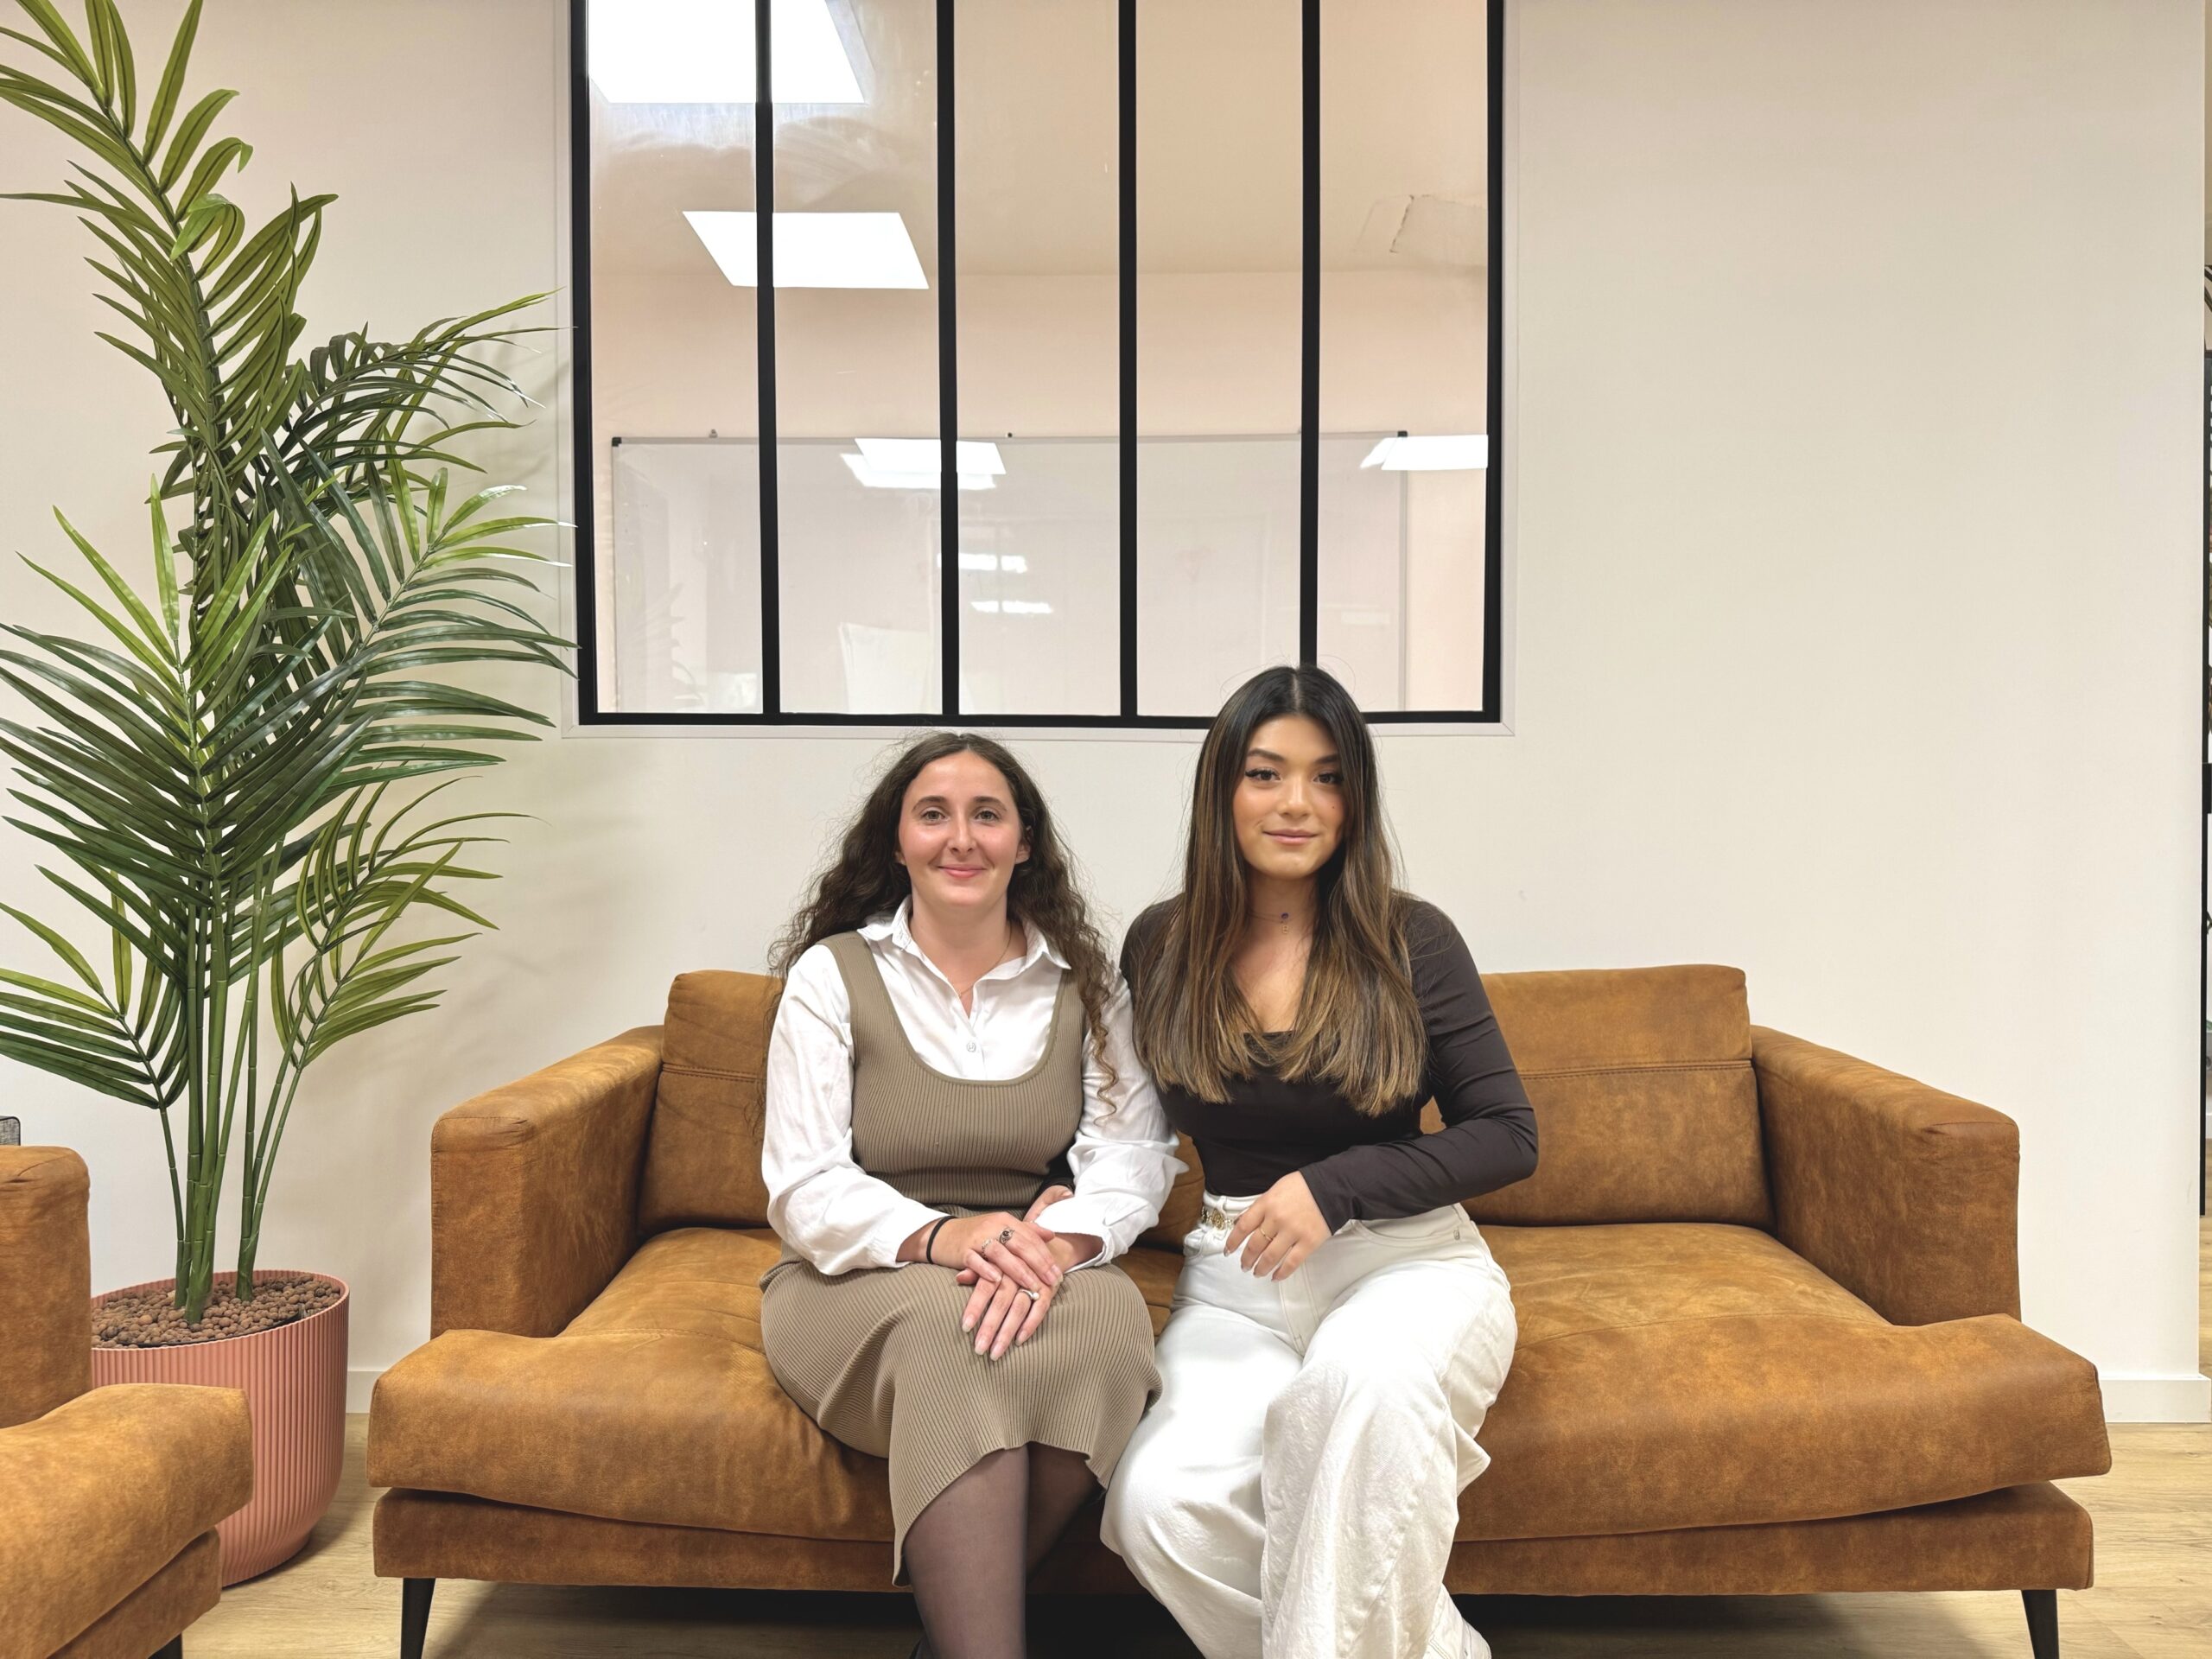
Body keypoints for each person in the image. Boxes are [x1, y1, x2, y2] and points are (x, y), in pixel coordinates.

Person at [1102, 664, 1538, 1659]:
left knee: (1360, 1388)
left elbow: (1508, 1132)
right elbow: (1121, 1130)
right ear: (1222, 791)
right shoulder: (1159, 944)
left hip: (1403, 1264)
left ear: (1355, 798)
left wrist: (1333, 1187)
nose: (1297, 802)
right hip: (1235, 1283)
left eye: (1328, 777)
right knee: (1154, 1509)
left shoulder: (1412, 938)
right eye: (1266, 774)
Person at [760, 731, 1181, 1659]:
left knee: (1110, 1325)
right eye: (933, 815)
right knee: (954, 1338)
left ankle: (955, 1637)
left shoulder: (1085, 983)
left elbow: (1133, 1152)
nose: (961, 838)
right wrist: (945, 1238)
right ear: (897, 840)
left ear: (1024, 843)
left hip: (1032, 1256)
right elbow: (803, 1183)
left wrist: (1059, 1244)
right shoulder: (832, 975)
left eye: (987, 815)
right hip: (857, 1270)